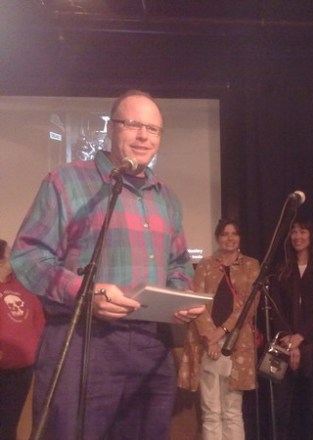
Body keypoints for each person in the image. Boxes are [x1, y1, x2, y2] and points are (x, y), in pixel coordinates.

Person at [10, 90, 204, 440]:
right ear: (112, 128)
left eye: (153, 129)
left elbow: (178, 264)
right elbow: (29, 256)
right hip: (82, 339)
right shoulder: (66, 181)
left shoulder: (167, 197)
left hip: (151, 343)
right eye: (133, 125)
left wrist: (178, 297)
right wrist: (85, 293)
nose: (144, 136)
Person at [177, 219, 260, 440]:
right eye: (224, 234)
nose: (229, 238)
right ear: (217, 238)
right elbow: (197, 302)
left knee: (232, 412)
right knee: (211, 412)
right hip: (207, 343)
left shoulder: (251, 265)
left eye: (234, 233)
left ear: (240, 237)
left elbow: (250, 305)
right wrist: (210, 338)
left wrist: (221, 331)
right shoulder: (205, 264)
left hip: (236, 344)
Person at [271, 219, 313, 440]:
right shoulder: (281, 269)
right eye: (294, 232)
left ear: (311, 235)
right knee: (281, 406)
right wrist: (290, 339)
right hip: (285, 341)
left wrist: (300, 337)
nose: (298, 236)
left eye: (303, 231)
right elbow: (276, 307)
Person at [0, 239, 45, 440]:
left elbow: (39, 320)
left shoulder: (23, 285)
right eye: (9, 254)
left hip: (22, 369)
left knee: (9, 425)